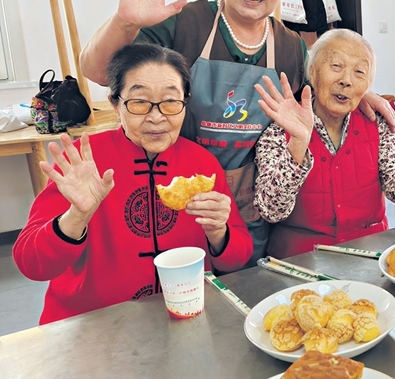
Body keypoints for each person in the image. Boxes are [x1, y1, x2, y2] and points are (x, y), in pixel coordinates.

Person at [79, 0, 395, 267]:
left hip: (250, 207)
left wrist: (361, 93)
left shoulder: (290, 47)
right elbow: (99, 72)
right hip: (176, 194)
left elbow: (318, 95)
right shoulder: (188, 23)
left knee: (245, 286)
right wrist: (125, 22)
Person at [14, 44, 252, 324]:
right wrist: (77, 216)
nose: (156, 117)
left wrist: (218, 232)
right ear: (116, 105)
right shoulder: (83, 161)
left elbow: (238, 258)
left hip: (184, 315)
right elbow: (32, 264)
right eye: (139, 102)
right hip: (93, 326)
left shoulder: (202, 165)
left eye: (170, 101)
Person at [253, 29, 395, 258]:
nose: (346, 81)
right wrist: (298, 145)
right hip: (301, 260)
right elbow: (271, 211)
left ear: (368, 85)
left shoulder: (378, 124)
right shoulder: (279, 130)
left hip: (370, 253)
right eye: (336, 66)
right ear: (313, 71)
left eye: (359, 72)